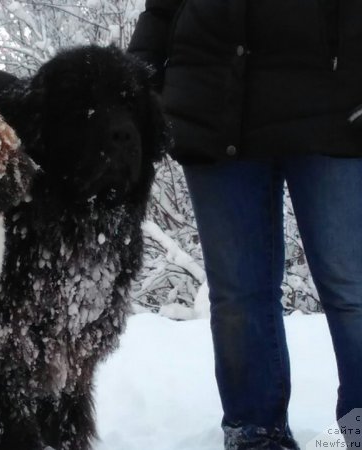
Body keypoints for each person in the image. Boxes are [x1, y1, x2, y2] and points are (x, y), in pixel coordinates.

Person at [128, 1, 362, 449]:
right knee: (238, 294)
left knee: (352, 288)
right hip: (214, 106)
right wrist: (138, 78)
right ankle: (255, 434)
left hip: (334, 102)